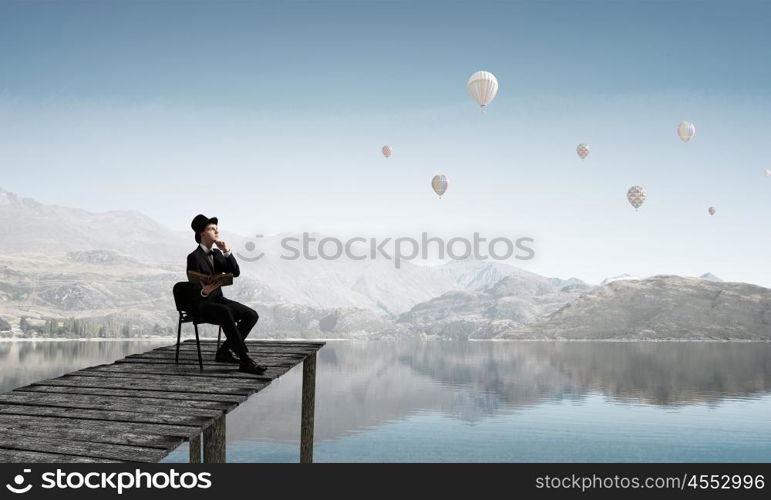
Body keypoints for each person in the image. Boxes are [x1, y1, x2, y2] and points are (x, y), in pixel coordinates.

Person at [187, 214, 266, 375]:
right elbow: (193, 286)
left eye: (217, 229)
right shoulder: (194, 257)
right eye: (212, 229)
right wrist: (204, 291)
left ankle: (224, 351)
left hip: (218, 300)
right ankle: (245, 360)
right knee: (225, 311)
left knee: (251, 315)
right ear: (202, 234)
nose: (216, 232)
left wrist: (226, 251)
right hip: (202, 304)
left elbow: (235, 272)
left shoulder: (217, 254)